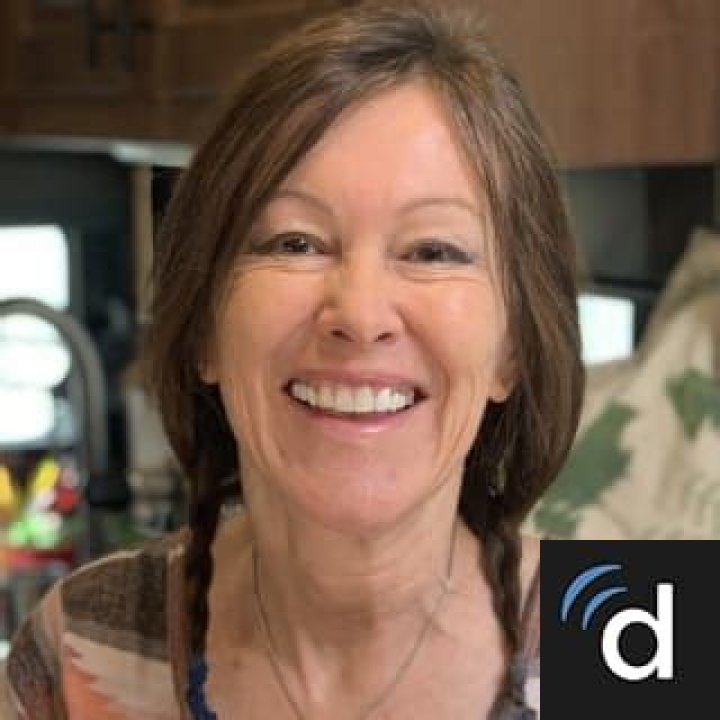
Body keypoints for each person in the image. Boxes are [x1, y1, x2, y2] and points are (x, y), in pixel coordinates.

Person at [2, 1, 584, 717]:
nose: (361, 315)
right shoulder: (80, 645)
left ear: (513, 348)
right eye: (295, 243)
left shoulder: (643, 638)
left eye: (433, 251)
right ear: (205, 325)